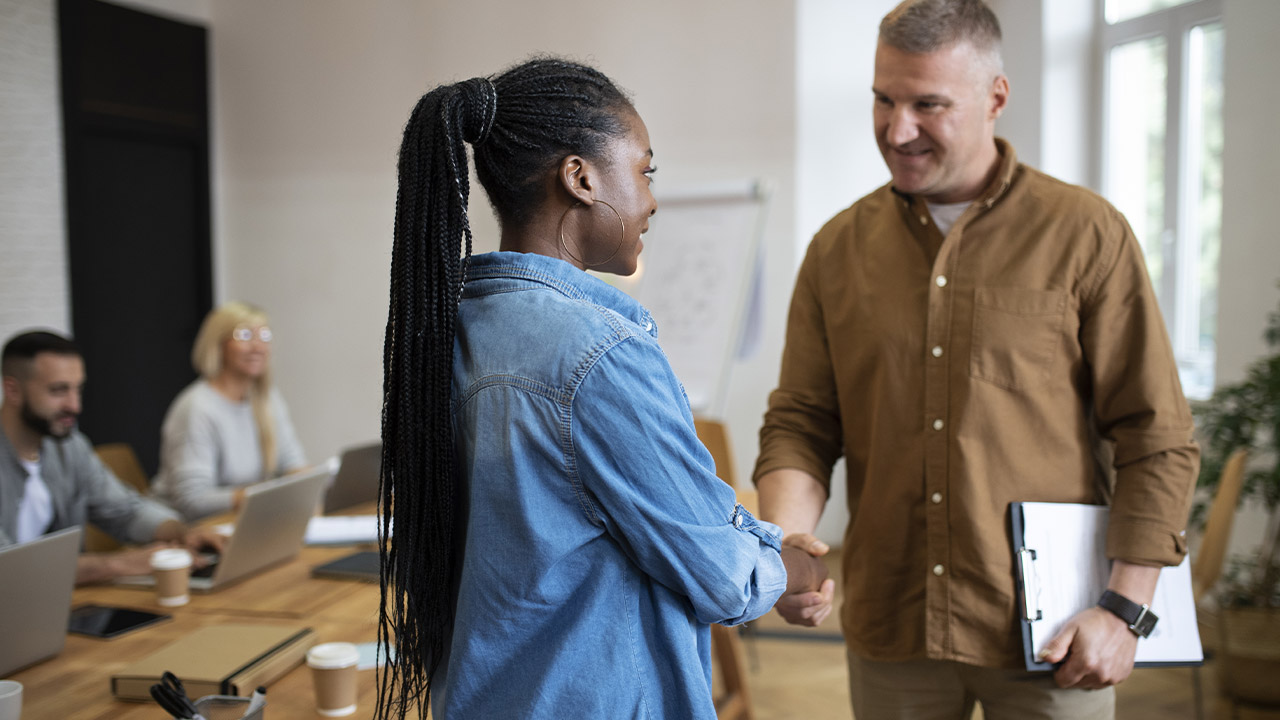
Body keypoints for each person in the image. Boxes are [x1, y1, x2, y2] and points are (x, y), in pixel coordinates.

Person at [754, 1, 1199, 718]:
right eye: (884, 99)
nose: (898, 130)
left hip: (1055, 635)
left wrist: (1124, 611)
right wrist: (788, 541)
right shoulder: (836, 249)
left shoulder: (1087, 235)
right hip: (892, 626)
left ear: (996, 97)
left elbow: (1155, 433)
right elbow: (803, 422)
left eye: (929, 104)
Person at [376, 57, 825, 720]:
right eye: (645, 170)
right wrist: (796, 567)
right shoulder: (599, 356)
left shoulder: (446, 328)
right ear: (581, 178)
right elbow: (720, 574)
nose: (649, 199)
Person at [0, 330, 225, 584]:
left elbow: (124, 511)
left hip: (64, 607)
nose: (75, 406)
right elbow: (8, 569)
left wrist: (183, 532)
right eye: (58, 391)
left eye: (78, 389)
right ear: (13, 390)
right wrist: (117, 564)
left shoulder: (70, 447)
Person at [151, 302, 306, 520]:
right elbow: (192, 500)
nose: (258, 346)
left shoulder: (267, 398)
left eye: (264, 335)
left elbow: (292, 463)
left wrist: (313, 486)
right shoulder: (197, 408)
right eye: (244, 335)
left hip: (244, 520)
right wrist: (266, 495)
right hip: (189, 532)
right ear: (218, 344)